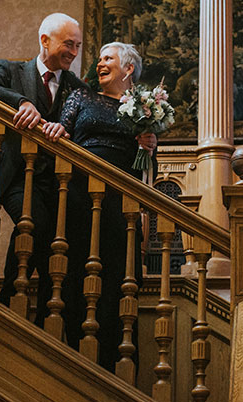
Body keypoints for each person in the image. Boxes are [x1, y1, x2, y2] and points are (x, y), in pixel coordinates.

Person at [41, 42, 157, 369]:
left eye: (108, 59)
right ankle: (77, 354)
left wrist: (150, 146)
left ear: (128, 69)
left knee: (118, 276)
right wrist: (58, 129)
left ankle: (110, 360)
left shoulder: (144, 110)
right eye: (100, 58)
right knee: (77, 270)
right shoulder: (81, 97)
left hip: (122, 202)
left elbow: (148, 170)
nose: (100, 64)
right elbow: (63, 129)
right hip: (80, 194)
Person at [0, 12, 89, 317]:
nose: (74, 53)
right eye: (68, 44)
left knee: (48, 242)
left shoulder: (76, 87)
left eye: (77, 46)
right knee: (33, 222)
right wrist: (22, 102)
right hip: (13, 177)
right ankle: (11, 301)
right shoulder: (10, 70)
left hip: (56, 183)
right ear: (44, 40)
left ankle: (30, 312)